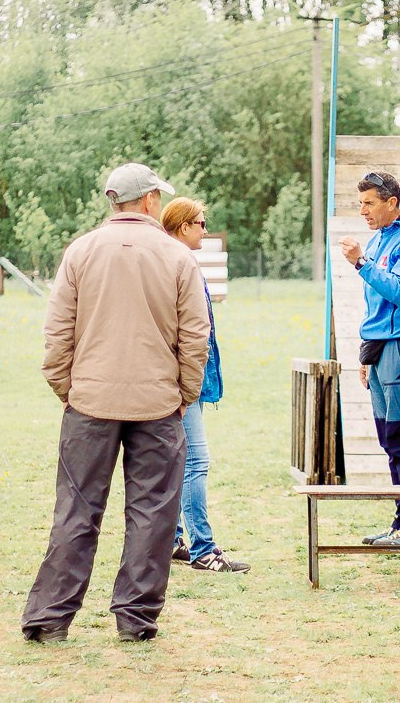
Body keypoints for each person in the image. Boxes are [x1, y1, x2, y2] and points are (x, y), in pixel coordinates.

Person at [22, 163, 211, 643]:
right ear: (149, 200)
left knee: (76, 510)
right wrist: (185, 393)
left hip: (90, 399)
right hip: (158, 403)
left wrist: (66, 386)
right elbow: (195, 336)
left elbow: (57, 330)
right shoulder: (177, 257)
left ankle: (49, 619)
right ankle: (136, 617)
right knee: (153, 512)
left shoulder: (81, 250)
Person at [339, 171, 400, 546]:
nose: (362, 210)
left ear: (392, 202)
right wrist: (367, 351)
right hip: (381, 346)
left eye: (369, 203)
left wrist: (361, 263)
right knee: (388, 436)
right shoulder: (382, 235)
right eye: (360, 203)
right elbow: (375, 303)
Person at [160, 197, 250, 574]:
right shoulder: (179, 264)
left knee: (179, 462)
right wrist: (190, 385)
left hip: (175, 378)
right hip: (182, 381)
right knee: (196, 460)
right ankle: (203, 549)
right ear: (183, 227)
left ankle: (175, 540)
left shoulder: (167, 261)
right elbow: (191, 332)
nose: (204, 228)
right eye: (200, 222)